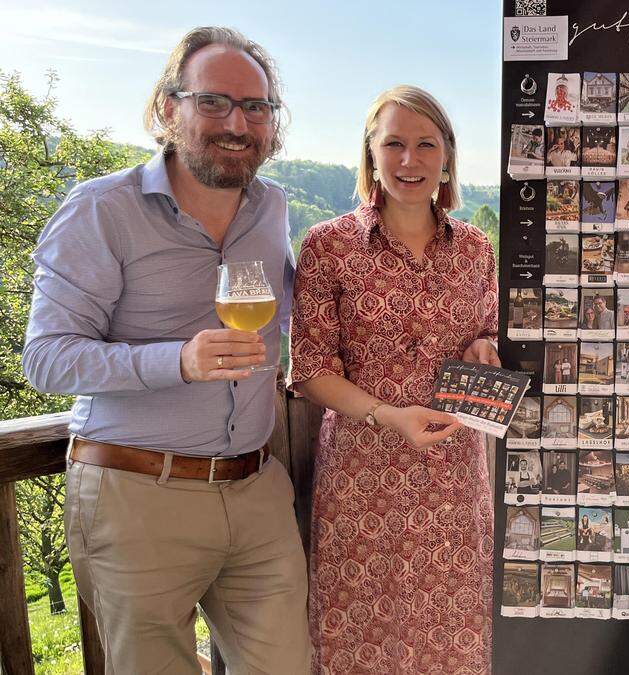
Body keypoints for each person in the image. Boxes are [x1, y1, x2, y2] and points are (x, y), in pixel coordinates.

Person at [21, 27, 311, 672]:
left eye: (255, 107)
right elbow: (45, 357)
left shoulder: (271, 208)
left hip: (256, 487)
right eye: (214, 102)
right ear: (168, 108)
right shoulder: (102, 209)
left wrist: (471, 336)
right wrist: (176, 361)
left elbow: (305, 313)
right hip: (137, 493)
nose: (238, 123)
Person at [289, 84, 498, 674]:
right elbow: (309, 370)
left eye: (426, 145)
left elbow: (488, 331)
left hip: (454, 474)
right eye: (395, 144)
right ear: (371, 154)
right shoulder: (328, 246)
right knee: (360, 635)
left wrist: (485, 344)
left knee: (454, 638)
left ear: (448, 156)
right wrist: (387, 415)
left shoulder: (476, 250)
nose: (410, 161)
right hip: (363, 477)